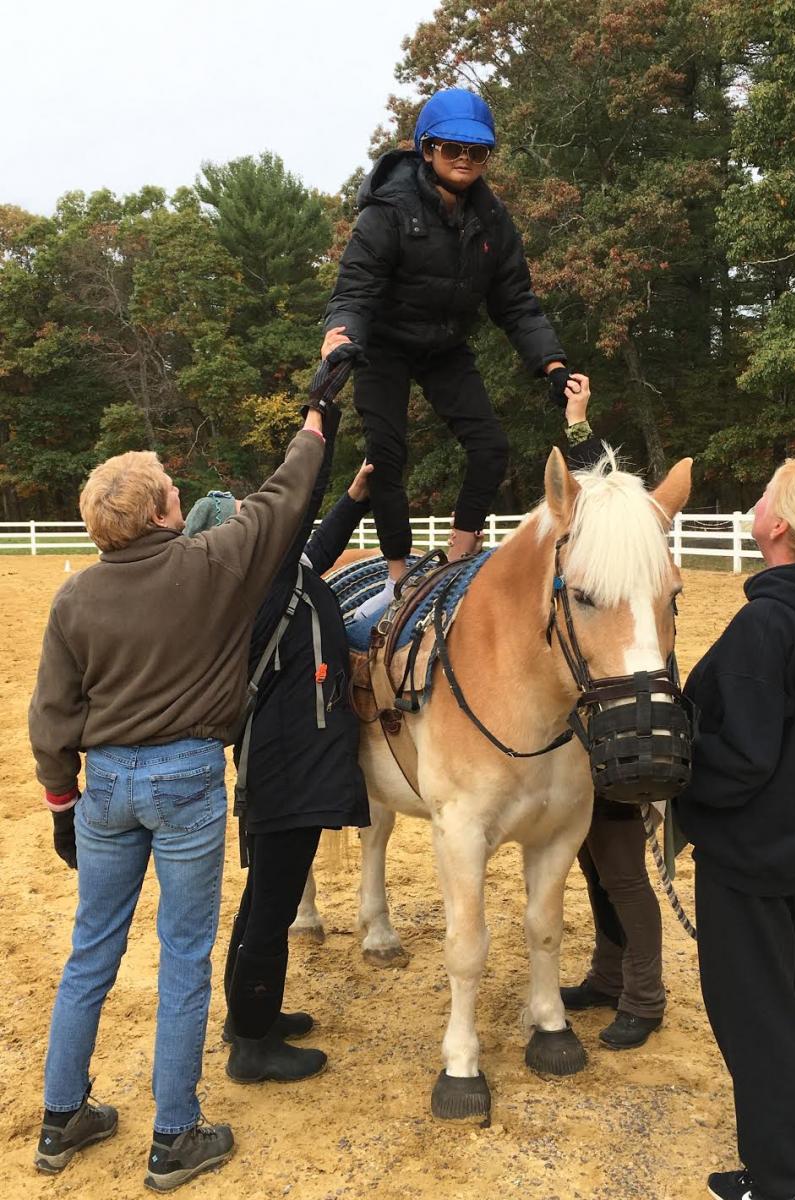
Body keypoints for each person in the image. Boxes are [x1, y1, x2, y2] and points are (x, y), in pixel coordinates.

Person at [28, 406, 331, 1192]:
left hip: (106, 789)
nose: (178, 494)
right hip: (188, 776)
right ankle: (174, 1134)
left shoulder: (75, 600)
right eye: (171, 488)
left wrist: (63, 801)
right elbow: (284, 494)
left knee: (90, 952)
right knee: (184, 956)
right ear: (163, 512)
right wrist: (317, 414)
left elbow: (52, 718)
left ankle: (61, 1119)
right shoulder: (208, 566)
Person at [675, 456, 795, 1200]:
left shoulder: (767, 621)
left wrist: (680, 767)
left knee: (751, 1010)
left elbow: (745, 759)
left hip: (754, 850)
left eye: (762, 496)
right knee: (784, 993)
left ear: (779, 526)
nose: (752, 502)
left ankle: (781, 1178)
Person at [321, 87, 575, 620]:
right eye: (450, 147)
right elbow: (356, 286)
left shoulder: (493, 222)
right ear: (425, 149)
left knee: (490, 446)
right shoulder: (386, 211)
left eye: (476, 151)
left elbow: (518, 304)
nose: (464, 158)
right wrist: (341, 335)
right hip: (384, 345)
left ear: (486, 158)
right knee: (386, 454)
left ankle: (456, 565)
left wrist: (552, 366)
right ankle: (397, 581)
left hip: (444, 347)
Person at [183, 413, 372, 1083]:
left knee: (265, 896)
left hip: (278, 764)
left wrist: (352, 500)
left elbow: (311, 549)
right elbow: (295, 520)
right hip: (287, 769)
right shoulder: (245, 592)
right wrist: (323, 424)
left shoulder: (264, 580)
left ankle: (246, 1016)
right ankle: (254, 1046)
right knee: (272, 909)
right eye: (240, 520)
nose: (254, 526)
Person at [557, 383, 667, 1050]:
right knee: (597, 866)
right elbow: (595, 480)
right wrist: (576, 424)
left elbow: (604, 489)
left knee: (623, 870)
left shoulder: (634, 575)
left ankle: (645, 994)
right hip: (596, 726)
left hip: (628, 724)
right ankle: (606, 974)